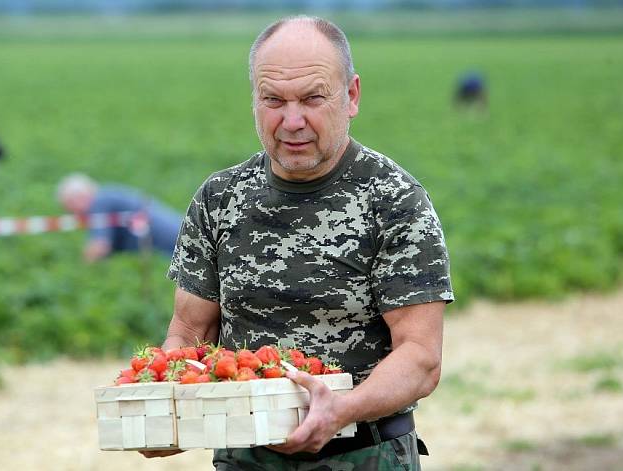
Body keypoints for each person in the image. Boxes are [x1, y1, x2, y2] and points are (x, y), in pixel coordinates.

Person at [147, 16, 454, 470]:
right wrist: (167, 407)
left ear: (351, 96)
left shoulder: (393, 201)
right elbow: (190, 333)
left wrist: (340, 409)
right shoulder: (220, 199)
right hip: (246, 458)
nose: (292, 121)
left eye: (312, 98)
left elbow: (420, 357)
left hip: (362, 455)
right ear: (254, 100)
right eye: (273, 100)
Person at [57, 173, 182, 262]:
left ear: (79, 197)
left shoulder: (100, 202)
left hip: (176, 249)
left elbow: (100, 247)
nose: (74, 216)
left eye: (70, 208)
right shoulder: (109, 194)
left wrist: (81, 268)